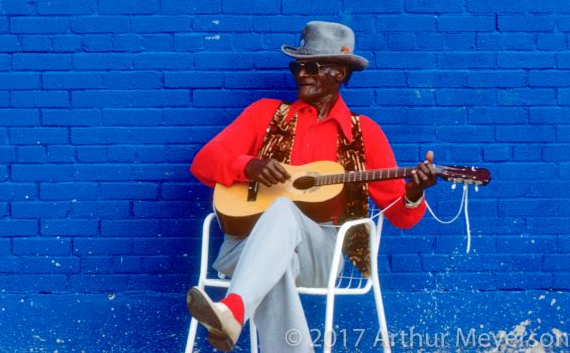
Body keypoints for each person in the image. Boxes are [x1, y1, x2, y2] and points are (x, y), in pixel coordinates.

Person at [185, 21, 438, 353]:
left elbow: (402, 217)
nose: (301, 73)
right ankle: (234, 312)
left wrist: (415, 193)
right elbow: (202, 162)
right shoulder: (264, 114)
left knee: (283, 211)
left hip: (322, 255)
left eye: (312, 66)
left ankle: (233, 308)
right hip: (244, 249)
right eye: (297, 66)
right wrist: (247, 165)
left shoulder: (364, 134)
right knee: (278, 264)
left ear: (341, 74)